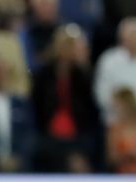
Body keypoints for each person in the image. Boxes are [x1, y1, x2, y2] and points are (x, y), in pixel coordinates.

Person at [31, 23, 101, 172]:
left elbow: (90, 107)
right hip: (48, 132)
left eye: (70, 45)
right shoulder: (44, 73)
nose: (67, 49)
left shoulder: (82, 74)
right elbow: (37, 104)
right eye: (64, 45)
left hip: (78, 132)